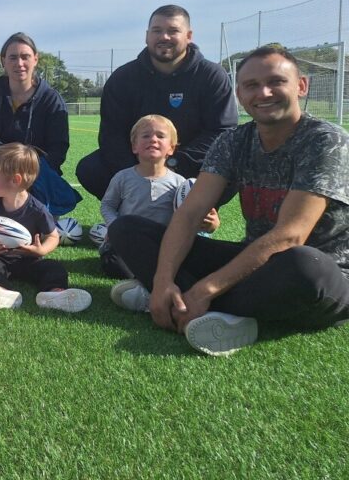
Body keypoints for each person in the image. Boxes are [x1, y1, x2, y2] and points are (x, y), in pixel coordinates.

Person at [108, 45, 349, 356]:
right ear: (239, 93)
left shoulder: (325, 141)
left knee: (304, 264)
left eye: (276, 82)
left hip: (323, 273)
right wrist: (164, 278)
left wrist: (207, 288)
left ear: (301, 86)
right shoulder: (234, 141)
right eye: (251, 85)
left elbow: (291, 235)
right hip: (256, 264)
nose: (263, 93)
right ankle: (188, 301)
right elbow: (189, 213)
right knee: (127, 229)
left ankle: (190, 303)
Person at [76, 5, 237, 199]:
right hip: (138, 163)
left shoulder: (211, 75)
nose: (164, 37)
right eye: (157, 31)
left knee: (234, 169)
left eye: (173, 31)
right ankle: (130, 211)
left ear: (189, 36)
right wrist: (138, 172)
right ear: (147, 36)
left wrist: (171, 165)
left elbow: (221, 131)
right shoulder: (123, 77)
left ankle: (195, 216)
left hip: (189, 166)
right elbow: (112, 135)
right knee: (91, 168)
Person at [0, 143, 91, 313]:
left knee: (54, 268)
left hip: (29, 260)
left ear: (15, 180)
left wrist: (41, 250)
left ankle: (54, 294)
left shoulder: (37, 209)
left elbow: (53, 236)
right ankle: (2, 292)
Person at [99, 115, 219, 278]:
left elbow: (191, 217)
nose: (153, 140)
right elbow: (107, 205)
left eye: (160, 136)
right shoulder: (122, 177)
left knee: (192, 259)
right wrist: (114, 225)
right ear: (134, 146)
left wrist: (211, 224)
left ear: (171, 148)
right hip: (130, 240)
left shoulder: (180, 183)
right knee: (114, 265)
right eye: (146, 136)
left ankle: (149, 274)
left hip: (164, 243)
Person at [0, 32, 75, 213]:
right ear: (3, 61)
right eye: (13, 57)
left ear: (35, 59)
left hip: (32, 170)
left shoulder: (51, 99)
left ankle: (27, 206)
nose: (19, 63)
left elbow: (59, 148)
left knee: (39, 223)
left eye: (25, 57)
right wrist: (8, 156)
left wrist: (26, 163)